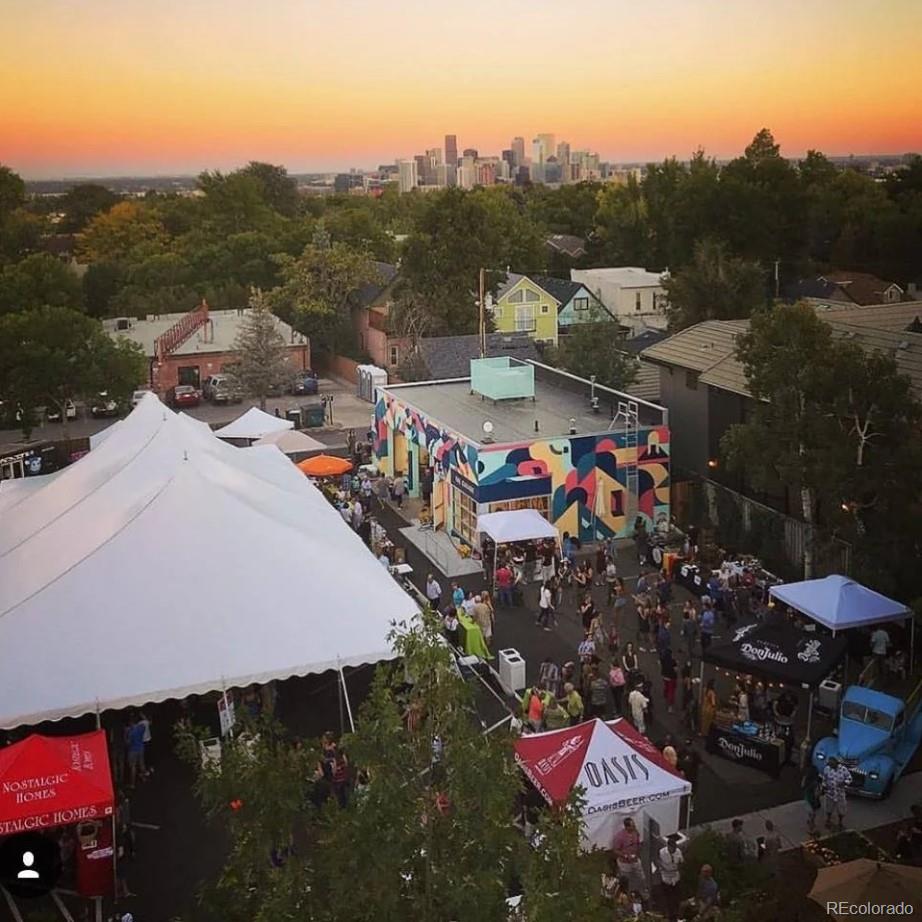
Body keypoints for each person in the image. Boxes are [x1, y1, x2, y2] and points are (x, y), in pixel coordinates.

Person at [612, 817, 648, 901]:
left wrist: (638, 852)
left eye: (634, 825)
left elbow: (638, 844)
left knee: (642, 877)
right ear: (627, 827)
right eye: (632, 826)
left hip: (635, 860)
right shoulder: (619, 837)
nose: (634, 827)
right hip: (625, 863)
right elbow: (615, 850)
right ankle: (627, 897)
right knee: (626, 881)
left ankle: (644, 893)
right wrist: (625, 855)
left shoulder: (636, 833)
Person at [658, 833, 684, 922]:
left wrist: (678, 870)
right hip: (666, 877)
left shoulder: (678, 852)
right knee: (668, 899)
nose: (673, 850)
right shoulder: (662, 852)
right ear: (668, 846)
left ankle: (676, 915)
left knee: (676, 898)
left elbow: (681, 862)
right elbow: (658, 862)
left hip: (675, 877)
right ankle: (669, 916)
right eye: (672, 848)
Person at [823, 756, 853, 830]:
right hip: (830, 793)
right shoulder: (827, 769)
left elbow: (849, 778)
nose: (830, 765)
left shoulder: (843, 769)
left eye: (831, 763)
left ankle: (840, 823)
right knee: (829, 808)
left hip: (840, 794)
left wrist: (844, 783)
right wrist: (824, 786)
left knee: (841, 810)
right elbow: (824, 779)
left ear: (836, 762)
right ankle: (828, 820)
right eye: (829, 763)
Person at [125, 714, 147, 787]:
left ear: (131, 723)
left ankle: (133, 783)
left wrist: (126, 733)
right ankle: (143, 777)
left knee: (133, 767)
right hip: (141, 748)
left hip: (133, 750)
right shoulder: (141, 727)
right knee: (142, 764)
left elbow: (128, 742)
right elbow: (144, 724)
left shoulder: (131, 732)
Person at [802, 763, 823, 835]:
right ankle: (811, 829)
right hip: (812, 801)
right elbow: (817, 793)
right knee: (813, 815)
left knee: (811, 814)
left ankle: (811, 823)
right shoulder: (815, 783)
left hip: (807, 799)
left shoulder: (806, 780)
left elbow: (802, 786)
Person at [660, 648, 678, 713]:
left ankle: (666, 696)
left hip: (665, 677)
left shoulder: (663, 660)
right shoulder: (673, 661)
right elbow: (676, 669)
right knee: (671, 691)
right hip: (671, 678)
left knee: (666, 688)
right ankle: (670, 706)